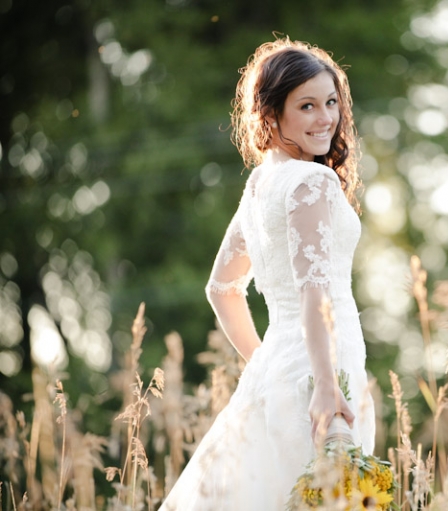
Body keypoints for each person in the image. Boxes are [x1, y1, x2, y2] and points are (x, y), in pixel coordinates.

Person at [160, 37, 375, 510]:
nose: (326, 118)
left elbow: (221, 290)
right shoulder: (312, 181)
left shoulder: (262, 183)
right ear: (272, 116)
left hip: (280, 371)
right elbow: (314, 293)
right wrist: (323, 384)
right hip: (323, 374)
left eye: (332, 102)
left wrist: (267, 362)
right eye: (307, 106)